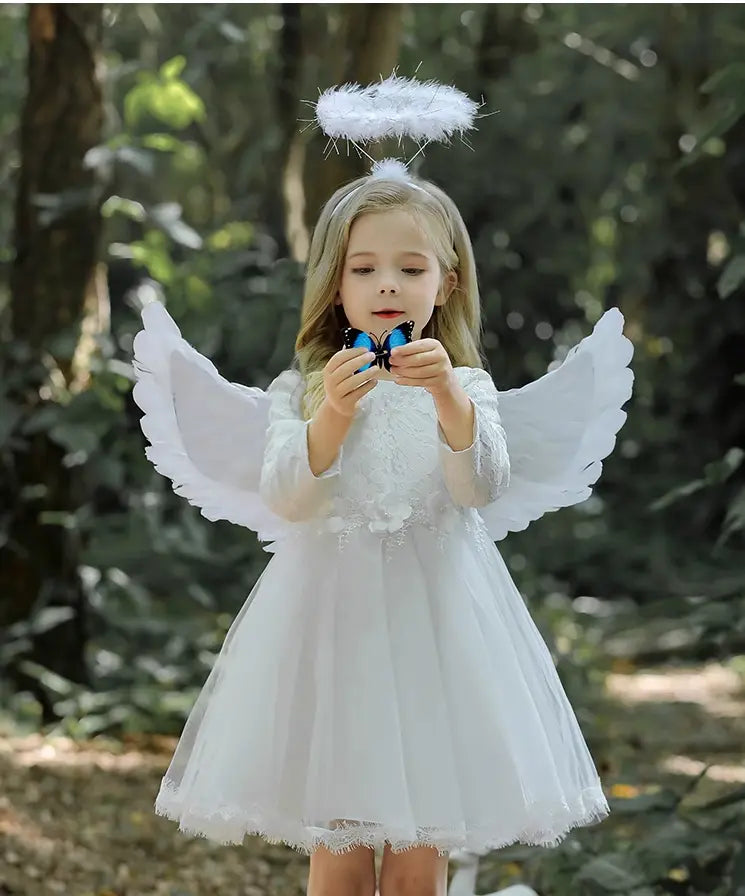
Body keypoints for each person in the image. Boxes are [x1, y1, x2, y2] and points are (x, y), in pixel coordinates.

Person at [132, 113, 633, 896]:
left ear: (447, 281)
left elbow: (481, 486)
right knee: (339, 843)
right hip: (334, 629)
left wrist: (448, 402)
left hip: (438, 630)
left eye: (410, 268)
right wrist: (329, 413)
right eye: (363, 270)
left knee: (418, 846)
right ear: (336, 283)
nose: (388, 285)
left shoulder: (464, 388)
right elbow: (288, 496)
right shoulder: (302, 390)